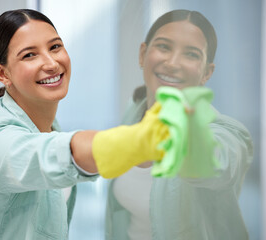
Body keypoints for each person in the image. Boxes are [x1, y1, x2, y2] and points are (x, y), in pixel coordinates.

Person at [0, 8, 192, 240]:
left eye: (55, 47)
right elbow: (53, 153)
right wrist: (136, 140)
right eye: (30, 55)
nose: (51, 63)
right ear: (2, 74)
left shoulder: (48, 126)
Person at [105, 9, 253, 240]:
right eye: (164, 47)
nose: (173, 63)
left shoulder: (228, 133)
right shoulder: (133, 113)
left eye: (191, 54)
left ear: (206, 73)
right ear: (143, 54)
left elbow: (215, 163)